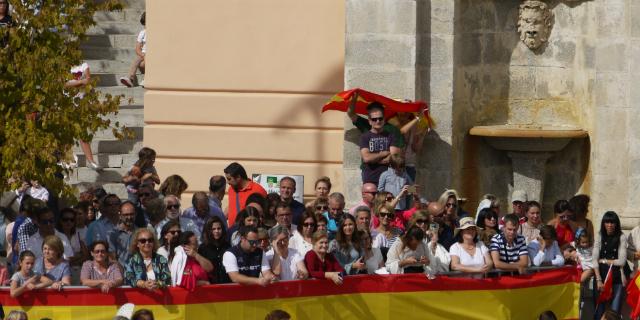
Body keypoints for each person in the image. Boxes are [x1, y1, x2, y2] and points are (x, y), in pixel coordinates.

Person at [65, 62, 100, 171]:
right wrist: (80, 82)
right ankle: (67, 160)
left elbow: (88, 80)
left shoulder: (83, 64)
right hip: (66, 103)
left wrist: (74, 83)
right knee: (66, 133)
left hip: (81, 103)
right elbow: (64, 84)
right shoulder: (61, 64)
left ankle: (91, 161)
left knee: (83, 133)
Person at [592, 211, 627, 319]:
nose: (610, 225)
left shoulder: (621, 236)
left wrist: (604, 261)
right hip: (601, 275)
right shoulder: (599, 235)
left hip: (616, 276)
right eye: (607, 222)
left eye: (612, 222)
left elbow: (622, 261)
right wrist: (598, 279)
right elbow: (594, 259)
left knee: (614, 311)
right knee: (599, 308)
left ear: (616, 224)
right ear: (603, 223)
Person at [224, 162, 267, 227]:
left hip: (250, 232)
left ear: (238, 177)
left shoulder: (258, 190)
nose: (228, 182)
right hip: (233, 232)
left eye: (229, 179)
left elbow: (263, 214)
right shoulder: (231, 189)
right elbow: (231, 206)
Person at [56, 207, 87, 283]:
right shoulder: (56, 236)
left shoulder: (77, 234)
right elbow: (57, 259)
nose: (68, 222)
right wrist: (77, 256)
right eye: (65, 219)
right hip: (60, 273)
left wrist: (70, 260)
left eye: (72, 220)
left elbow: (85, 255)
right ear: (60, 220)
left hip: (77, 271)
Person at [198, 216, 231, 284]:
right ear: (208, 230)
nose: (216, 231)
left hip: (226, 284)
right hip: (210, 285)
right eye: (213, 229)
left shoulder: (227, 246)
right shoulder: (203, 248)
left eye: (219, 228)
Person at [120, 12, 146, 87]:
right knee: (138, 61)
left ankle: (146, 78)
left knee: (143, 62)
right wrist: (143, 55)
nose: (146, 26)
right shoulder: (143, 33)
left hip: (151, 56)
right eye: (145, 23)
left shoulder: (156, 32)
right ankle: (130, 78)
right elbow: (137, 49)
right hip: (143, 56)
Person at [107, 201, 137, 267]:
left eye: (131, 214)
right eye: (126, 215)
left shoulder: (140, 233)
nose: (129, 217)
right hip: (120, 271)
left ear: (136, 214)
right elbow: (112, 258)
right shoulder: (113, 234)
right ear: (120, 216)